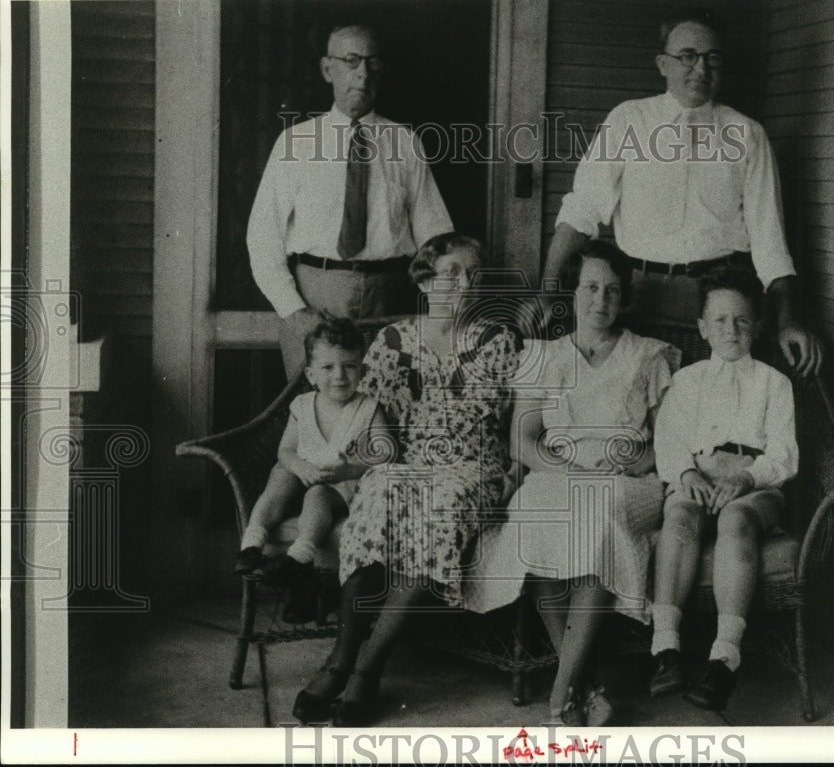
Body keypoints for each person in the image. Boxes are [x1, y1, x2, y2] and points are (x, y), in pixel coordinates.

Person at [291, 233, 521, 726]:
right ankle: (340, 663)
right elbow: (362, 417)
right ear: (424, 277)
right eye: (453, 272)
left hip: (469, 468)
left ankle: (366, 671)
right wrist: (347, 468)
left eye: (474, 275)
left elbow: (505, 423)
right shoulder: (392, 342)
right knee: (373, 519)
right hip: (400, 464)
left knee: (432, 522)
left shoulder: (495, 342)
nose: (465, 283)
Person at [464, 240, 678, 725]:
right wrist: (569, 469)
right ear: (573, 293)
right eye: (590, 287)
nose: (600, 299)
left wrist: (627, 464)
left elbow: (667, 443)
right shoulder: (543, 356)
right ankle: (587, 690)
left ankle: (559, 698)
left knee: (597, 519)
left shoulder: (649, 356)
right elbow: (523, 442)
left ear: (624, 298)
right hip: (555, 474)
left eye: (612, 290)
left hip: (624, 482)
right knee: (543, 524)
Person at [542, 8, 822, 376]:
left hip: (716, 304)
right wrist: (545, 295)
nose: (701, 69)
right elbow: (581, 214)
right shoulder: (629, 121)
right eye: (687, 56)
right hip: (637, 300)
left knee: (708, 415)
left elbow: (769, 242)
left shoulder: (747, 134)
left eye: (712, 58)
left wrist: (788, 320)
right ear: (663, 64)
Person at [246, 23, 454, 376]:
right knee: (316, 410)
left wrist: (443, 305)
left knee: (383, 410)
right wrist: (294, 311)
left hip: (389, 299)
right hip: (315, 298)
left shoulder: (404, 143)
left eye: (373, 63)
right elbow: (262, 237)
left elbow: (436, 237)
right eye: (351, 60)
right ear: (328, 69)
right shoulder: (295, 143)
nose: (363, 74)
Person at [649, 265, 798, 711]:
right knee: (680, 515)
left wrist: (745, 479)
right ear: (703, 327)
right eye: (719, 321)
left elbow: (784, 455)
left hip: (754, 483)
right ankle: (666, 648)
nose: (731, 330)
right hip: (699, 474)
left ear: (757, 325)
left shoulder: (775, 384)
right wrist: (688, 475)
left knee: (736, 519)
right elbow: (670, 441)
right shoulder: (687, 381)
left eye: (742, 320)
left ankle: (725, 657)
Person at [232, 318, 388, 621]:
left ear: (363, 371)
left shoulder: (368, 407)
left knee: (317, 494)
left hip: (340, 486)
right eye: (328, 368)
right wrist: (299, 466)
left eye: (350, 366)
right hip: (302, 476)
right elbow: (286, 450)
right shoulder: (303, 405)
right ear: (311, 374)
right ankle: (252, 543)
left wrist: (350, 469)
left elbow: (384, 454)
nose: (340, 376)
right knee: (281, 472)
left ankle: (299, 558)